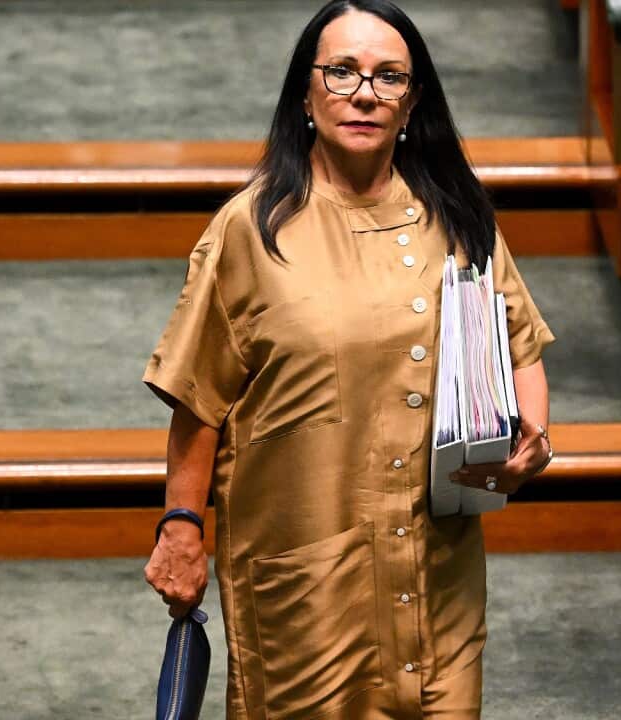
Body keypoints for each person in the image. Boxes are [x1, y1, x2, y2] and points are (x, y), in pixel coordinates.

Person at [142, 1, 554, 716]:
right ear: (306, 93)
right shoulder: (251, 230)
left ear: (411, 100)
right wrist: (180, 526)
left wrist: (533, 441)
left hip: (436, 574)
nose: (364, 93)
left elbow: (518, 344)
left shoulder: (457, 215)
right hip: (306, 584)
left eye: (388, 77)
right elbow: (197, 402)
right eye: (342, 73)